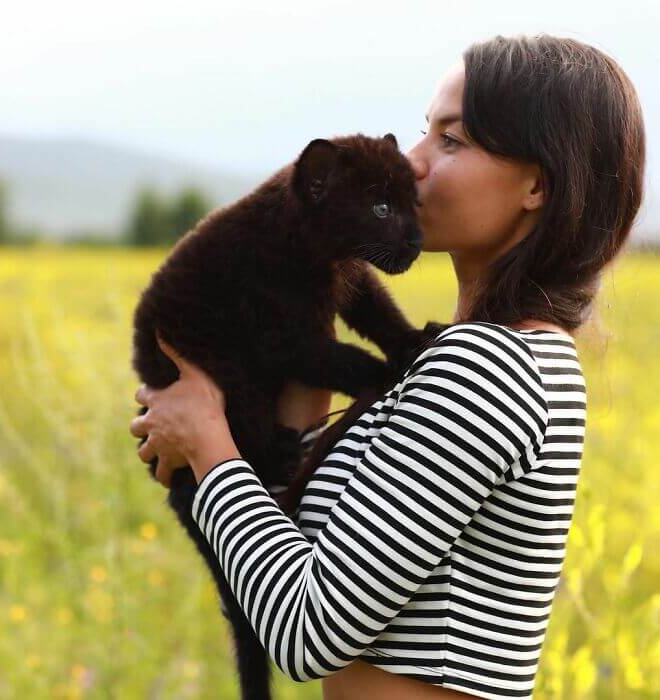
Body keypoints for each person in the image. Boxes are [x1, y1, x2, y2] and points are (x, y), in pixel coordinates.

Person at [129, 34, 645, 700]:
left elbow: (307, 632)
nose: (414, 162)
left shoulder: (488, 367)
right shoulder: (488, 357)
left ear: (538, 184)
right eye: (422, 132)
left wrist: (207, 445)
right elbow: (333, 558)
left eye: (452, 141)